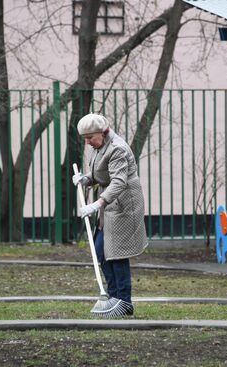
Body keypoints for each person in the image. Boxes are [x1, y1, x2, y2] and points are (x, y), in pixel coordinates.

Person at [73, 113, 148, 316]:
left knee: (116, 253)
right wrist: (85, 179)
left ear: (102, 132)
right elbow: (102, 173)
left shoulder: (117, 148)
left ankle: (124, 301)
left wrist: (97, 204)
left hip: (124, 204)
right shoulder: (100, 146)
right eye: (85, 139)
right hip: (110, 205)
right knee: (101, 251)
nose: (87, 142)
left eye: (90, 138)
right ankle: (113, 296)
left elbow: (118, 181)